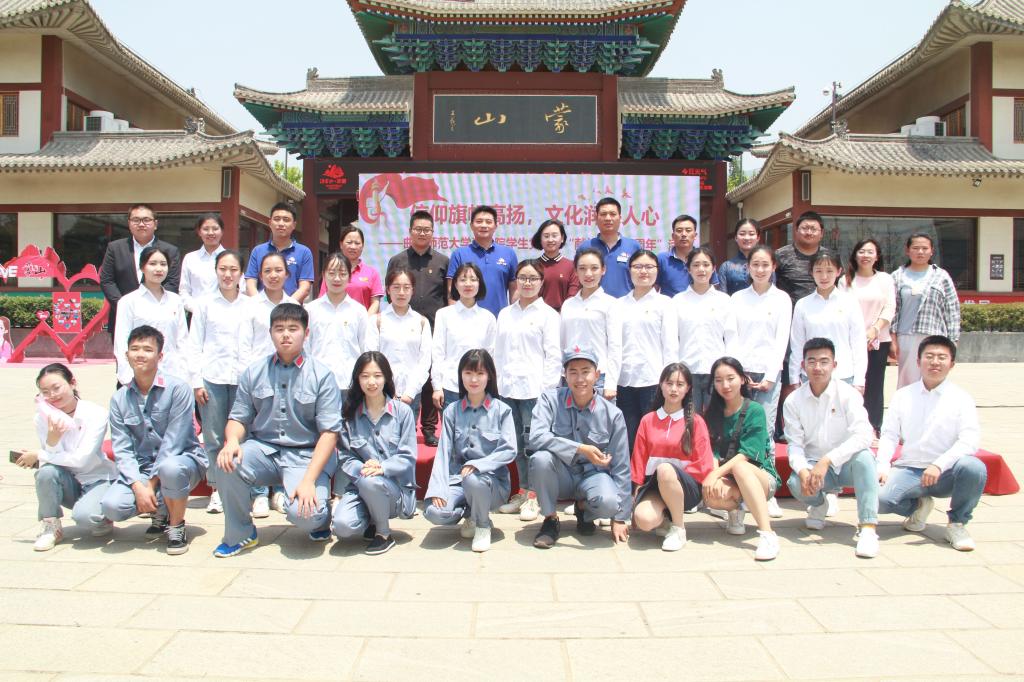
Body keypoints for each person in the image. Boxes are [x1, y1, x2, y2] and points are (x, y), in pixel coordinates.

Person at [213, 303, 343, 557]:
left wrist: (308, 481)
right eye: (279, 328)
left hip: (306, 456)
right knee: (227, 462)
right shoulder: (254, 372)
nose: (285, 334)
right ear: (270, 332)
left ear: (306, 333)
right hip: (264, 450)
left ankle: (321, 517)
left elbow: (329, 433)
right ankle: (240, 534)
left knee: (307, 516)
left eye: (293, 329)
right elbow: (238, 417)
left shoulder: (322, 375)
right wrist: (232, 441)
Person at [101, 325, 207, 555]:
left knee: (170, 467)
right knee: (112, 506)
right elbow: (122, 448)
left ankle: (176, 526)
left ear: (160, 356)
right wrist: (137, 485)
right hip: (142, 466)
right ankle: (161, 509)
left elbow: (174, 442)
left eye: (147, 349)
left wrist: (150, 484)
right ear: (126, 354)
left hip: (182, 460)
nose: (140, 354)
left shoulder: (178, 389)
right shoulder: (119, 399)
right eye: (135, 349)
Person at [877, 335, 985, 552]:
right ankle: (918, 505)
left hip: (946, 472)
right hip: (910, 469)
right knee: (878, 500)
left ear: (952, 364)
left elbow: (969, 440)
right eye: (929, 356)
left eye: (942, 357)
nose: (935, 362)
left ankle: (957, 523)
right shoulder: (903, 396)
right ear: (918, 361)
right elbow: (889, 435)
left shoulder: (961, 398)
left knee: (974, 467)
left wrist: (939, 464)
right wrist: (882, 465)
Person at [189, 250, 269, 517]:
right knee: (213, 437)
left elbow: (259, 344)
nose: (227, 274)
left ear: (241, 274)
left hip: (244, 380)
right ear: (216, 271)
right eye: (223, 269)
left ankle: (254, 491)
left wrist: (256, 379)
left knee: (248, 435)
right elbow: (194, 344)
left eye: (233, 269)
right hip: (212, 378)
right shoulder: (204, 305)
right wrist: (196, 382)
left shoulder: (252, 305)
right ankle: (218, 489)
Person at [784, 338, 880, 558]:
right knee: (795, 483)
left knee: (865, 459)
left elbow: (864, 435)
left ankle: (868, 528)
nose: (817, 367)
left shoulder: (848, 394)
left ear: (834, 365)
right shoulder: (793, 401)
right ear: (803, 365)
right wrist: (803, 470)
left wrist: (828, 460)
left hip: (845, 464)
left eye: (824, 361)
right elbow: (794, 445)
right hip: (814, 466)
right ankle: (819, 504)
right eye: (812, 361)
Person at [528, 347, 631, 549]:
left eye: (586, 371)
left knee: (610, 503)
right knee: (540, 459)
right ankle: (550, 520)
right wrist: (581, 449)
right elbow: (537, 437)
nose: (580, 379)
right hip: (560, 475)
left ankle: (583, 509)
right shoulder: (549, 400)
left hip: (594, 476)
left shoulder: (613, 414)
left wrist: (620, 518)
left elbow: (622, 466)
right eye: (573, 372)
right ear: (564, 375)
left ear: (597, 375)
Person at [14, 363, 116, 551]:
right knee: (46, 472)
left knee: (86, 518)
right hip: (67, 480)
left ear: (72, 383)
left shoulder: (96, 413)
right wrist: (52, 440)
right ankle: (50, 526)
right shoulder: (42, 418)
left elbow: (81, 459)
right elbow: (51, 459)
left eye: (56, 388)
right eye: (45, 392)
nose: (52, 395)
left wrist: (39, 454)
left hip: (97, 478)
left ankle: (102, 517)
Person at [424, 349, 517, 552]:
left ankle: (482, 526)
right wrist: (438, 489)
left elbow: (509, 449)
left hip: (491, 483)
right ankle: (471, 514)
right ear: (461, 375)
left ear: (489, 376)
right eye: (468, 373)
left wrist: (479, 465)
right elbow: (443, 452)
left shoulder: (502, 410)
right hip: (458, 481)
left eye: (480, 373)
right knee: (434, 512)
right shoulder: (452, 411)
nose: (474, 379)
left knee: (473, 479)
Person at [494, 259, 561, 521]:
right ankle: (522, 491)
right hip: (508, 389)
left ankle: (535, 496)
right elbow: (498, 353)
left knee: (535, 446)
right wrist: (498, 385)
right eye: (523, 277)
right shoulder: (505, 314)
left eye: (533, 278)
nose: (527, 282)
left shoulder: (548, 315)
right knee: (517, 444)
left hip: (535, 391)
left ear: (542, 282)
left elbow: (553, 357)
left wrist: (547, 392)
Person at [332, 352, 417, 555]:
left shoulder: (402, 412)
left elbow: (407, 456)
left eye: (377, 376)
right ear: (357, 379)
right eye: (365, 376)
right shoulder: (349, 415)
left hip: (394, 490)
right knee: (342, 526)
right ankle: (371, 517)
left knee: (371, 481)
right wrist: (363, 468)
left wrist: (382, 468)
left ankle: (383, 534)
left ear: (386, 378)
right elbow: (346, 456)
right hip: (362, 485)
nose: (371, 382)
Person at [702, 357, 781, 561]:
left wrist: (715, 474)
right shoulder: (712, 413)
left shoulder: (755, 410)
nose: (725, 385)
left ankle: (767, 534)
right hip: (730, 476)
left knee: (741, 468)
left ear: (743, 379)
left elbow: (746, 455)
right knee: (712, 494)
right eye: (719, 380)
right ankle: (735, 511)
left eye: (731, 378)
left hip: (760, 477)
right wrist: (715, 477)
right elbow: (711, 450)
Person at [630, 362, 713, 551]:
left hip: (685, 488)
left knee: (665, 470)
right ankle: (665, 520)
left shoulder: (696, 421)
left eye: (680, 384)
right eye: (669, 383)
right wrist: (637, 488)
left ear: (688, 388)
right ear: (661, 385)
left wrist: (675, 478)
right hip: (654, 486)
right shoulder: (648, 420)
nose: (674, 389)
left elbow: (703, 462)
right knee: (644, 520)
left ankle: (678, 528)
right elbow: (639, 458)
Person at [386, 210, 450, 447]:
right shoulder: (397, 260)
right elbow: (390, 293)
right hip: (404, 325)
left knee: (429, 376)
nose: (422, 233)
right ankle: (405, 424)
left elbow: (447, 295)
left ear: (433, 232)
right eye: (418, 229)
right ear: (410, 231)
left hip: (433, 326)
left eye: (427, 230)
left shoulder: (442, 261)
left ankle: (430, 428)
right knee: (405, 371)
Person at [727, 245, 791, 448]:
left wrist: (770, 377)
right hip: (741, 372)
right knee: (737, 427)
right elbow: (732, 336)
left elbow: (782, 339)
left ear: (774, 267)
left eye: (765, 265)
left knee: (764, 429)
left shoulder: (782, 299)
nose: (760, 270)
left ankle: (765, 468)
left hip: (768, 374)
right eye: (755, 264)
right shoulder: (737, 299)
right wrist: (738, 373)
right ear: (748, 267)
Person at [617, 249, 678, 453]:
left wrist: (670, 380)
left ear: (657, 271)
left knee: (654, 436)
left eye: (649, 267)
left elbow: (670, 345)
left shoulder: (665, 304)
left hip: (653, 379)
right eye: (638, 267)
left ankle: (653, 473)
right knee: (628, 436)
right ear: (629, 270)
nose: (643, 271)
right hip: (624, 380)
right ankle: (632, 473)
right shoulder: (619, 305)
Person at [774, 210, 825, 438]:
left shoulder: (827, 256)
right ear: (796, 230)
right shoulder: (782, 255)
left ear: (821, 232)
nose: (809, 232)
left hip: (819, 323)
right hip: (788, 324)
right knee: (789, 376)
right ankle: (786, 427)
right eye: (805, 228)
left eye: (814, 228)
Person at [788, 250, 867, 393]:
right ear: (811, 272)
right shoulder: (802, 304)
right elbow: (797, 344)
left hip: (843, 375)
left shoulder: (850, 303)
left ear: (839, 272)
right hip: (811, 376)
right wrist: (794, 378)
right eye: (818, 271)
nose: (824, 276)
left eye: (829, 271)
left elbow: (858, 343)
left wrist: (859, 381)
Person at [839, 238, 896, 434]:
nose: (865, 255)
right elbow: (841, 309)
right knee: (851, 383)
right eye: (861, 251)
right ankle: (850, 427)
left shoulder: (885, 279)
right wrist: (859, 337)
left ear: (877, 256)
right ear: (855, 255)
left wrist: (874, 331)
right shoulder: (845, 280)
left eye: (870, 252)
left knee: (874, 385)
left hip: (878, 340)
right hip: (850, 341)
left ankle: (873, 427)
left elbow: (890, 308)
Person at [99, 203, 181, 338]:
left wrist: (155, 308)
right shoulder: (115, 248)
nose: (141, 224)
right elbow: (107, 281)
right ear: (129, 223)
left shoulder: (170, 250)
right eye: (136, 220)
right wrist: (125, 307)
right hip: (123, 318)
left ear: (155, 224)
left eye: (146, 220)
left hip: (160, 319)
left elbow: (172, 282)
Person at [891, 233, 961, 389]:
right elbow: (892, 310)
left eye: (924, 248)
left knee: (933, 378)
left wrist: (953, 341)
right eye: (915, 248)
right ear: (907, 250)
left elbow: (952, 310)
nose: (920, 252)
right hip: (906, 337)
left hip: (935, 336)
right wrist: (893, 339)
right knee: (907, 381)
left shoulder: (941, 276)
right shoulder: (897, 276)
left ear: (932, 251)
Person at [113, 245, 189, 387]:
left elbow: (182, 341)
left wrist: (184, 376)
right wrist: (128, 378)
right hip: (139, 376)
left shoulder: (175, 301)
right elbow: (121, 342)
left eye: (163, 264)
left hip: (172, 375)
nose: (159, 269)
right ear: (142, 267)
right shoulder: (128, 301)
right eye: (153, 264)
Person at [673, 247, 736, 415]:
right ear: (688, 269)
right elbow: (672, 339)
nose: (701, 269)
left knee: (716, 420)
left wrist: (728, 368)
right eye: (696, 265)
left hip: (716, 372)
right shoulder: (678, 301)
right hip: (687, 372)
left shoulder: (724, 301)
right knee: (689, 421)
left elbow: (731, 337)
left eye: (706, 265)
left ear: (713, 268)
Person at [365, 268, 432, 424]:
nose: (401, 292)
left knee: (408, 437)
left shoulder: (421, 322)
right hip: (381, 394)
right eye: (396, 287)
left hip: (412, 395)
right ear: (388, 289)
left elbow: (424, 361)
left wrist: (410, 392)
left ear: (412, 290)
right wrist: (387, 389)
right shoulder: (377, 321)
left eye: (406, 287)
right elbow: (372, 359)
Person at [431, 262, 497, 411]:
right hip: (450, 386)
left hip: (479, 387)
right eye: (462, 279)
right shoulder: (444, 315)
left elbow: (491, 355)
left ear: (480, 284)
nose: (468, 284)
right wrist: (437, 387)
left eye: (473, 279)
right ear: (455, 284)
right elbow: (438, 353)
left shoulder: (488, 318)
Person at [305, 252, 369, 404]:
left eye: (342, 273)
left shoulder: (359, 311)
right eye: (332, 273)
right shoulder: (311, 310)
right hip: (318, 383)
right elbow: (306, 347)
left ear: (350, 277)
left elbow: (365, 348)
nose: (337, 278)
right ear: (323, 275)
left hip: (349, 383)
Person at [560, 248, 622, 402]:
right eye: (582, 268)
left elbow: (615, 346)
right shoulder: (568, 304)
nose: (588, 274)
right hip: (571, 377)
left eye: (594, 268)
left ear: (603, 270)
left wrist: (611, 383)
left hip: (599, 378)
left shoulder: (611, 304)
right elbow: (562, 343)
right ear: (576, 271)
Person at [446, 205, 518, 318]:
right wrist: (453, 318)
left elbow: (515, 289)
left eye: (488, 222)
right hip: (465, 318)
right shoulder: (459, 254)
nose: (484, 225)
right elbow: (451, 290)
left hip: (499, 318)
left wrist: (515, 317)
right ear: (471, 225)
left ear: (495, 226)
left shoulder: (508, 253)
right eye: (479, 221)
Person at [244, 202, 314, 303]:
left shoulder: (304, 252)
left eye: (286, 220)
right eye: (277, 219)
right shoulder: (258, 251)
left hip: (291, 309)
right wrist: (259, 305)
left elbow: (305, 287)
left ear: (294, 225)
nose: (281, 224)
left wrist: (285, 307)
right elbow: (250, 282)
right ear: (270, 223)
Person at [239, 252, 298, 370]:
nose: (273, 275)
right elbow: (244, 346)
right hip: (257, 371)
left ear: (287, 274)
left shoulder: (295, 306)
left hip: (288, 372)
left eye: (278, 270)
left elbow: (300, 344)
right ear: (260, 276)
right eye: (267, 271)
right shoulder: (250, 306)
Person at [577, 197, 641, 297]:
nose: (608, 218)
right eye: (603, 214)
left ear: (620, 218)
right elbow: (578, 280)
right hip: (593, 304)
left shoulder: (633, 246)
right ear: (596, 218)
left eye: (612, 214)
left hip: (626, 304)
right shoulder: (585, 247)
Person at [318, 225, 384, 314]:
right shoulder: (332, 272)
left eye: (357, 243)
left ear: (362, 246)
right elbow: (322, 298)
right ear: (341, 244)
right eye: (349, 242)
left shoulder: (372, 273)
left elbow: (375, 302)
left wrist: (365, 320)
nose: (353, 247)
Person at [656, 214, 721, 296]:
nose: (684, 234)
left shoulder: (704, 258)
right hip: (671, 304)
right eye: (679, 230)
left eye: (688, 230)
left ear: (695, 235)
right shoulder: (662, 259)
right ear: (673, 236)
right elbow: (654, 288)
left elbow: (714, 287)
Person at [180, 214, 229, 314]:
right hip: (195, 314)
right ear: (199, 232)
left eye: (215, 229)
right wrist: (196, 309)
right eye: (206, 229)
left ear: (222, 231)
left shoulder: (230, 258)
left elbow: (240, 289)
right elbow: (184, 290)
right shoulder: (190, 258)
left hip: (225, 314)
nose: (210, 233)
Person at [531, 218, 579, 311]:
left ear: (562, 238)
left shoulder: (571, 266)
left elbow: (573, 295)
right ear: (540, 239)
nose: (550, 240)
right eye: (546, 236)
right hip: (537, 315)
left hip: (564, 315)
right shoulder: (533, 266)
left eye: (554, 235)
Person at [718, 218, 764, 294]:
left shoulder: (766, 265)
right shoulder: (726, 267)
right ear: (736, 237)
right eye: (742, 234)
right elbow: (722, 296)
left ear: (758, 238)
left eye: (751, 234)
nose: (747, 238)